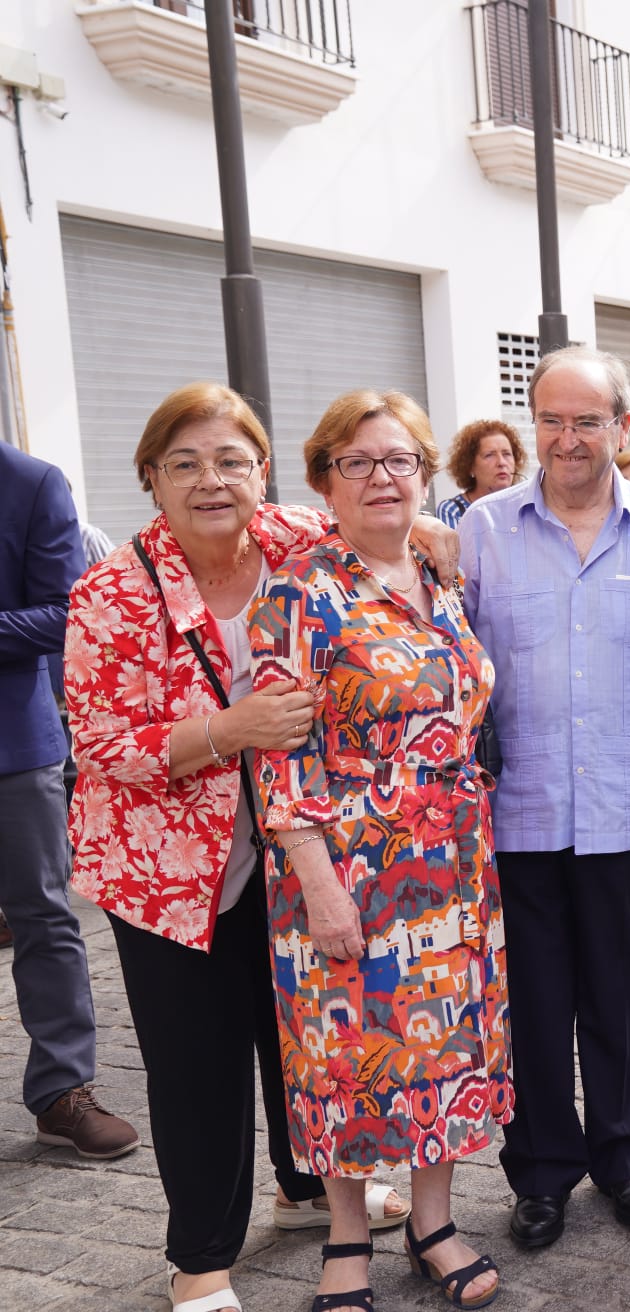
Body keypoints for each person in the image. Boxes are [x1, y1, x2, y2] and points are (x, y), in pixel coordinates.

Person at [64, 383, 420, 1312]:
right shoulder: (111, 589)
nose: (210, 481)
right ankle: (201, 1259)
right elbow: (99, 745)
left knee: (296, 1038)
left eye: (230, 460)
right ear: (150, 480)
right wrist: (230, 730)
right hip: (165, 873)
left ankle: (304, 1191)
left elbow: (384, 536)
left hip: (293, 850)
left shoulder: (298, 544)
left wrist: (435, 538)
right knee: (196, 1066)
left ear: (262, 471)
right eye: (184, 463)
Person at [252, 389, 508, 1312]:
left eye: (399, 460)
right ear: (323, 480)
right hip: (345, 867)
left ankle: (434, 1224)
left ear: (425, 475)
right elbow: (279, 756)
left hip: (451, 866)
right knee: (345, 1055)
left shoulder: (440, 580)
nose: (382, 478)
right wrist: (319, 886)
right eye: (357, 462)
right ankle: (349, 1236)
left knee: (440, 1046)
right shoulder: (298, 592)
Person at [459, 346, 630, 1251]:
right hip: (515, 808)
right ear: (535, 427)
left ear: (620, 428)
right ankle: (542, 1173)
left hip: (628, 806)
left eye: (587, 420)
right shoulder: (483, 528)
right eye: (552, 420)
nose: (568, 439)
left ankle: (625, 1157)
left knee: (623, 995)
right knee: (533, 998)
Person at [0, 439, 139, 1169]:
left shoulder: (30, 483)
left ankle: (61, 1095)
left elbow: (66, 612)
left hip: (12, 748)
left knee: (43, 918)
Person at [435, 419, 524, 527]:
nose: (501, 462)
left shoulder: (525, 506)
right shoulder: (453, 510)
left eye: (507, 454)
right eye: (489, 455)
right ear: (470, 466)